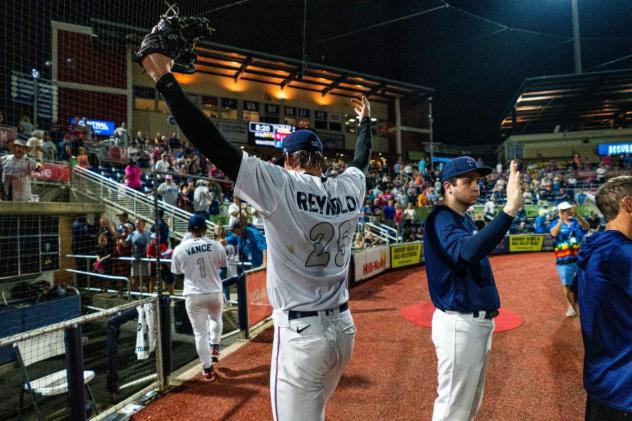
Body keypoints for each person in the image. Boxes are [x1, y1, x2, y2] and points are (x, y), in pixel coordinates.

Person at [140, 45, 372, 420]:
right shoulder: (349, 187)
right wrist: (366, 124)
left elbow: (210, 142)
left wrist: (165, 80)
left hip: (302, 334)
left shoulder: (281, 183)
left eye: (284, 157)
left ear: (291, 159)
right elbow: (360, 160)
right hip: (343, 330)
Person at [423, 157, 523, 421]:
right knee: (453, 409)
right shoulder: (441, 217)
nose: (476, 187)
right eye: (467, 181)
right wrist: (509, 210)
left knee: (466, 407)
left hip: (472, 323)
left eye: (478, 181)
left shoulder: (462, 219)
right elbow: (466, 252)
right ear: (448, 186)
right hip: (459, 322)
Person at [572, 176, 632, 420]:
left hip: (602, 382)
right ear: (628, 204)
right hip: (626, 390)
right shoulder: (623, 253)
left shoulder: (594, 248)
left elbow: (578, 300)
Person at [171, 214, 227, 382]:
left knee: (200, 333)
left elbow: (177, 272)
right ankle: (215, 346)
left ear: (188, 230)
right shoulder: (216, 245)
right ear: (205, 229)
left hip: (193, 294)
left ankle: (208, 368)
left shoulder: (179, 248)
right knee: (216, 318)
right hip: (214, 290)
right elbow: (223, 264)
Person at [549, 201, 589, 318]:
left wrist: (578, 215)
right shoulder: (554, 223)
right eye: (564, 211)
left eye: (568, 210)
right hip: (564, 259)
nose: (567, 212)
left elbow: (587, 226)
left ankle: (584, 302)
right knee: (567, 284)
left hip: (580, 257)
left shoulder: (576, 222)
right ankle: (571, 306)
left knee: (585, 281)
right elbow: (554, 234)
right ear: (559, 212)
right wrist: (561, 220)